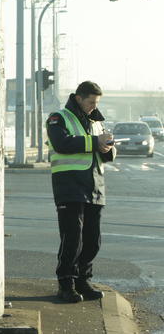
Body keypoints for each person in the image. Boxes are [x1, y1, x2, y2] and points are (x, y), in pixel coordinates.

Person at [46, 80, 115, 303]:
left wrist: (108, 146)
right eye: (91, 102)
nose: (94, 106)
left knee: (92, 240)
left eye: (97, 102)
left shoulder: (96, 121)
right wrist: (95, 142)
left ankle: (83, 280)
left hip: (94, 186)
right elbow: (62, 143)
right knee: (72, 237)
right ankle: (66, 283)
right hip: (69, 186)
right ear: (79, 98)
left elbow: (104, 150)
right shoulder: (58, 117)